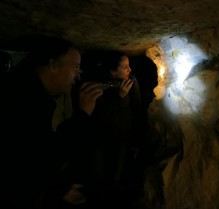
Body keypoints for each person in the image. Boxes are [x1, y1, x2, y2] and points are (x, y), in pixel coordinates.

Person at [0, 35, 103, 209]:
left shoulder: (30, 90)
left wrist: (57, 187)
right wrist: (83, 114)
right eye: (76, 67)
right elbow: (30, 160)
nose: (78, 75)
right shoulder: (23, 99)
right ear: (53, 65)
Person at [69, 51, 147, 209]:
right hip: (100, 139)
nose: (129, 70)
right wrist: (120, 97)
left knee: (116, 177)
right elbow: (99, 116)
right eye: (125, 67)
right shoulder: (97, 86)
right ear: (112, 71)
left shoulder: (131, 83)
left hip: (122, 139)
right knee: (97, 176)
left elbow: (137, 111)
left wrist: (137, 139)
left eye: (129, 66)